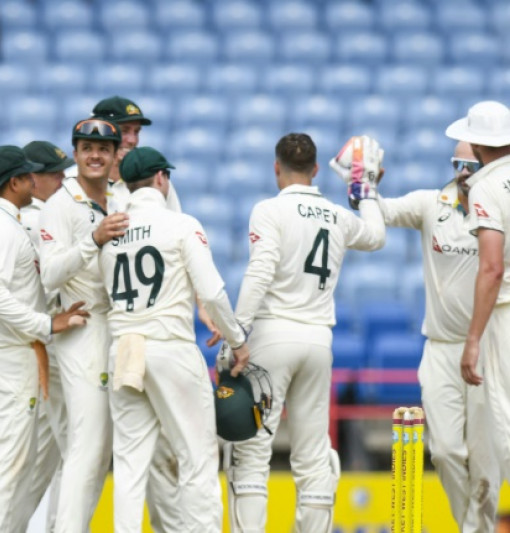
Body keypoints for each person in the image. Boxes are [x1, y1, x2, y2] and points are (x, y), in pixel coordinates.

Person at [225, 133, 386, 532]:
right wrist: (365, 191)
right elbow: (377, 236)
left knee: (251, 452)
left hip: (272, 337)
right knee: (313, 455)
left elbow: (260, 271)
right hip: (318, 340)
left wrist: (236, 334)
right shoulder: (337, 215)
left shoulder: (268, 210)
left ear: (276, 167)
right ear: (315, 169)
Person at [100, 147, 250, 532]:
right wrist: (237, 340)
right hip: (169, 345)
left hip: (124, 348)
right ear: (162, 178)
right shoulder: (181, 224)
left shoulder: (110, 234)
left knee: (130, 465)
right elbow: (212, 292)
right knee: (197, 458)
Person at [0, 145, 89, 533]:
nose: (35, 181)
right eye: (27, 176)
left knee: (15, 461)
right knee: (5, 462)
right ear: (14, 182)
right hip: (8, 354)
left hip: (0, 351)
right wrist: (45, 324)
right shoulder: (0, 228)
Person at [377, 140, 497, 532]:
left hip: (490, 349)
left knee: (485, 462)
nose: (462, 172)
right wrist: (364, 187)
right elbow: (381, 212)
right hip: (442, 348)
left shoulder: (501, 208)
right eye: (457, 163)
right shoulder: (432, 204)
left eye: (471, 164)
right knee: (444, 452)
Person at [39, 118, 126, 532]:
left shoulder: (120, 196)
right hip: (85, 326)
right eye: (87, 148)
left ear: (114, 155)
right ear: (75, 153)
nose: (95, 155)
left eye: (103, 149)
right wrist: (92, 240)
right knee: (87, 445)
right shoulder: (61, 203)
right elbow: (50, 273)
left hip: (119, 325)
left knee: (101, 449)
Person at [11, 140, 75, 532]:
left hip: (36, 345)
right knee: (75, 451)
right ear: (32, 178)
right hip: (48, 344)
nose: (63, 180)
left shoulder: (18, 219)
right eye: (55, 174)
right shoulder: (39, 221)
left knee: (43, 460)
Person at [448, 102, 510, 482]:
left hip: (505, 317)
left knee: (506, 423)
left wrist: (472, 339)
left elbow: (492, 267)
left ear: (475, 144)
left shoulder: (485, 186)